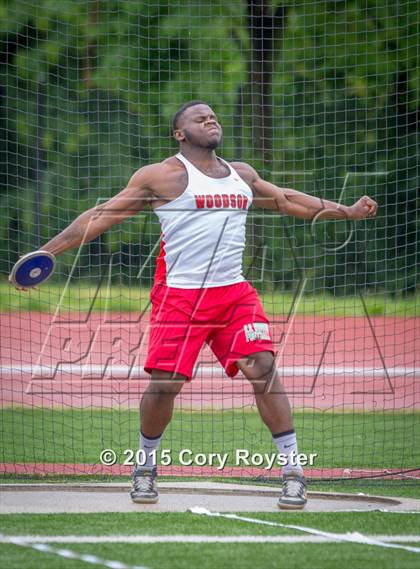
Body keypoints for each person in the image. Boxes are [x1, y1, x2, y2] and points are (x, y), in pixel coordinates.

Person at [14, 100, 377, 509]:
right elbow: (100, 215)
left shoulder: (242, 175)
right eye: (199, 117)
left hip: (234, 294)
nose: (211, 119)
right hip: (180, 298)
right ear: (180, 133)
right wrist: (45, 254)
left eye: (213, 115)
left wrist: (345, 211)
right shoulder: (161, 177)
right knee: (165, 384)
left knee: (263, 367)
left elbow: (286, 200)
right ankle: (146, 467)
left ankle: (293, 472)